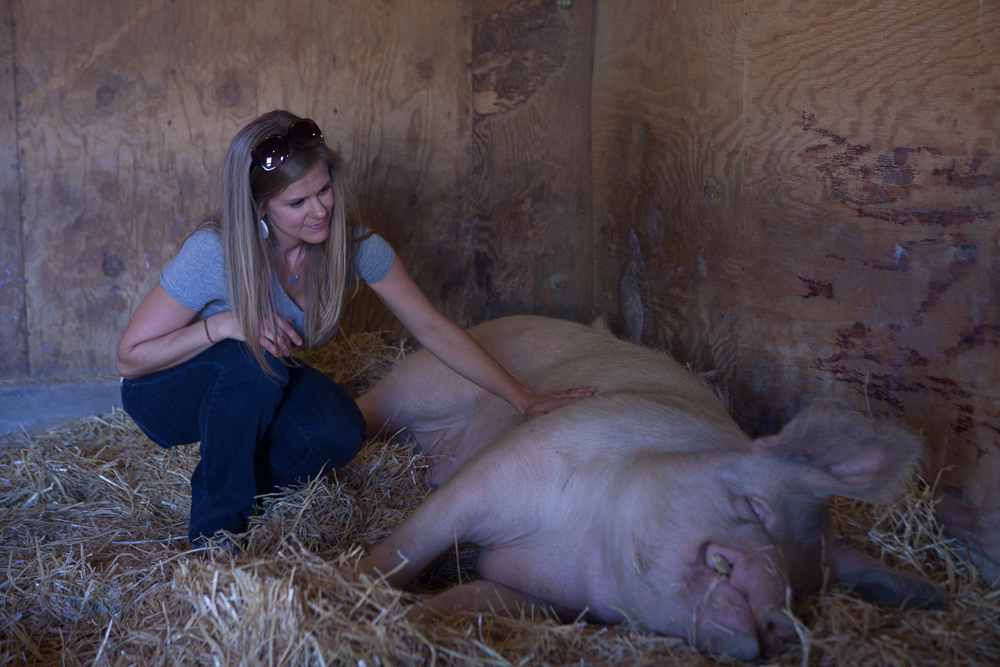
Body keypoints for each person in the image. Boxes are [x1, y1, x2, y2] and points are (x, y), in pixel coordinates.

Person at [116, 109, 594, 549]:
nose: (319, 210)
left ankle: (234, 478)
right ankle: (214, 536)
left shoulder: (355, 246)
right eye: (296, 202)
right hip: (163, 394)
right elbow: (130, 357)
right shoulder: (214, 251)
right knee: (255, 362)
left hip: (251, 384)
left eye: (323, 190)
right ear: (260, 208)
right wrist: (223, 324)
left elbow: (433, 328)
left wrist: (522, 398)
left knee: (339, 430)